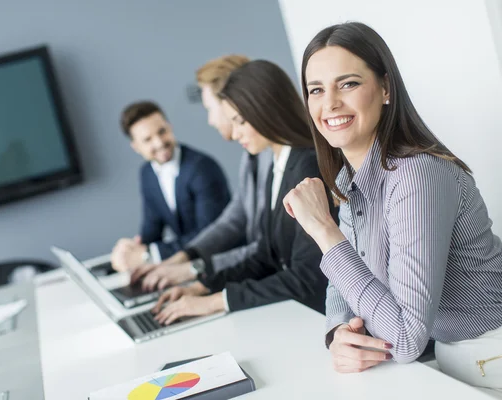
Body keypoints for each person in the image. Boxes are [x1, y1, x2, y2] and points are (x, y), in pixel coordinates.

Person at [282, 22, 502, 394]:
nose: (329, 103)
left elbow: (403, 338)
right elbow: (342, 281)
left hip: (489, 359)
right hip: (448, 361)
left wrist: (323, 229)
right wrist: (339, 330)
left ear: (385, 88)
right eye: (315, 90)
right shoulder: (355, 177)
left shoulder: (416, 176)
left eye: (347, 84)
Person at [151, 60, 337, 324]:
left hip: (317, 317)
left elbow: (307, 277)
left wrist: (215, 302)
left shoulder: (306, 167)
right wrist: (203, 286)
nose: (235, 134)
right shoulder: (277, 164)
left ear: (264, 110)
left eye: (239, 122)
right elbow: (265, 254)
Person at [130, 55, 273, 291]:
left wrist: (193, 268)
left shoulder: (202, 167)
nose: (209, 120)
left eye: (209, 108)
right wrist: (182, 257)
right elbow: (234, 218)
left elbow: (268, 249)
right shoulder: (251, 156)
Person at [111, 101, 231, 272]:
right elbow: (151, 230)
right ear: (136, 147)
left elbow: (209, 234)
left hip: (220, 264)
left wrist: (149, 254)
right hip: (185, 265)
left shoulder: (202, 168)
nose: (159, 143)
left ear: (170, 126)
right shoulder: (147, 174)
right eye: (147, 139)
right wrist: (131, 250)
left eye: (162, 131)